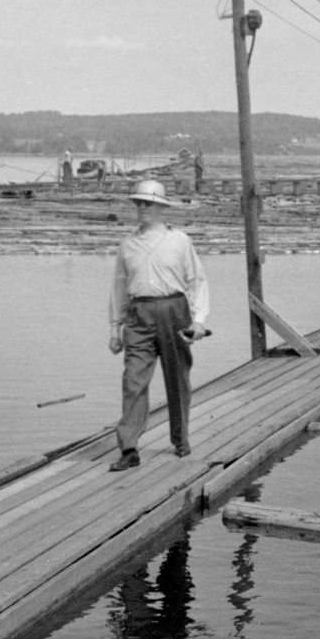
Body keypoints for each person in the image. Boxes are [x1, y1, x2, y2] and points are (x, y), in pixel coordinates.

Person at [108, 181, 209, 471]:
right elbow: (118, 286)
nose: (142, 209)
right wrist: (115, 328)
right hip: (138, 314)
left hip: (174, 311)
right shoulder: (127, 243)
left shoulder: (179, 241)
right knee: (133, 380)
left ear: (161, 208)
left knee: (177, 378)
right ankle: (129, 448)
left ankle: (180, 439)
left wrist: (199, 319)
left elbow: (197, 280)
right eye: (138, 203)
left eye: (148, 204)